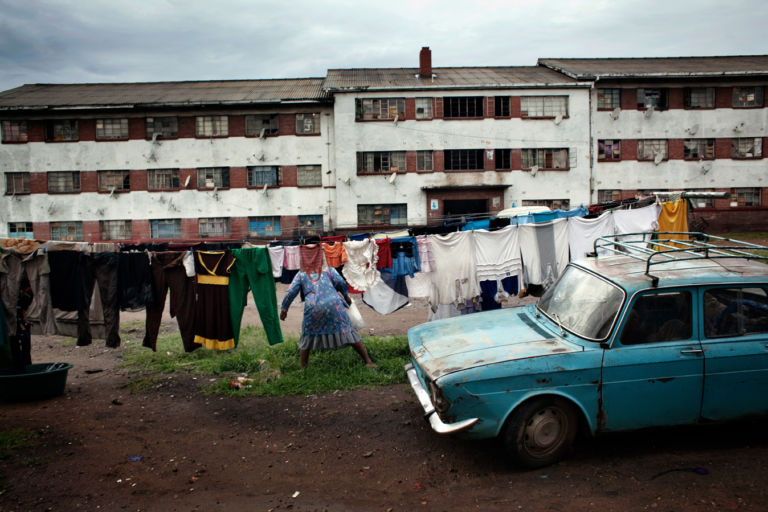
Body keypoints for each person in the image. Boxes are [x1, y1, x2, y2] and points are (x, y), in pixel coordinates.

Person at [279, 266, 375, 369]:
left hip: (313, 307)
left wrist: (284, 308)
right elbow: (340, 282)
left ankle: (303, 368)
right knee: (347, 330)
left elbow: (291, 291)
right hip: (334, 304)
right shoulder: (328, 269)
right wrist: (346, 296)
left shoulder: (301, 274)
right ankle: (368, 361)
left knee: (307, 335)